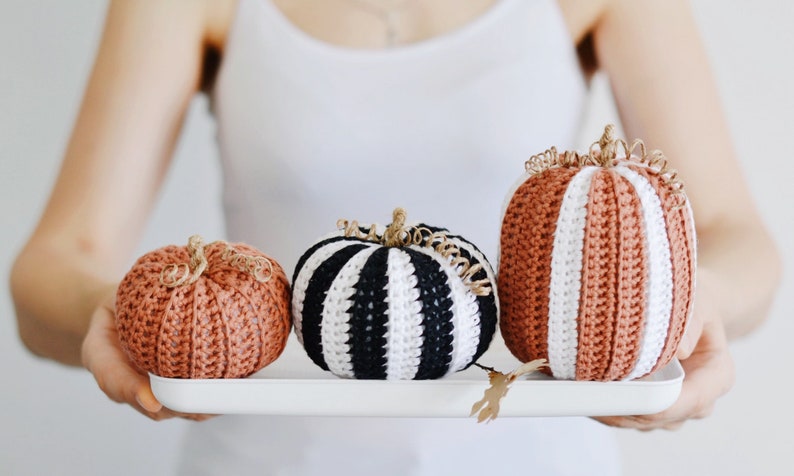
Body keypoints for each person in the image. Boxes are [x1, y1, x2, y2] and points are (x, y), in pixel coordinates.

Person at [10, 0, 781, 474]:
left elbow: (735, 235)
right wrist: (123, 312)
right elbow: (55, 266)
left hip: (538, 461)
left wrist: (698, 297)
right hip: (262, 463)